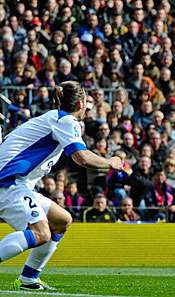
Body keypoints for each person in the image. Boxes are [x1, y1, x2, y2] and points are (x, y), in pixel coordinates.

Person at [0, 81, 123, 291]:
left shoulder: (55, 118)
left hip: (18, 184)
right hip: (9, 182)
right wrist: (110, 162)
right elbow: (81, 157)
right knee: (41, 233)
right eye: (86, 105)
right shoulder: (66, 120)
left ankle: (29, 279)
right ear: (81, 103)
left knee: (61, 220)